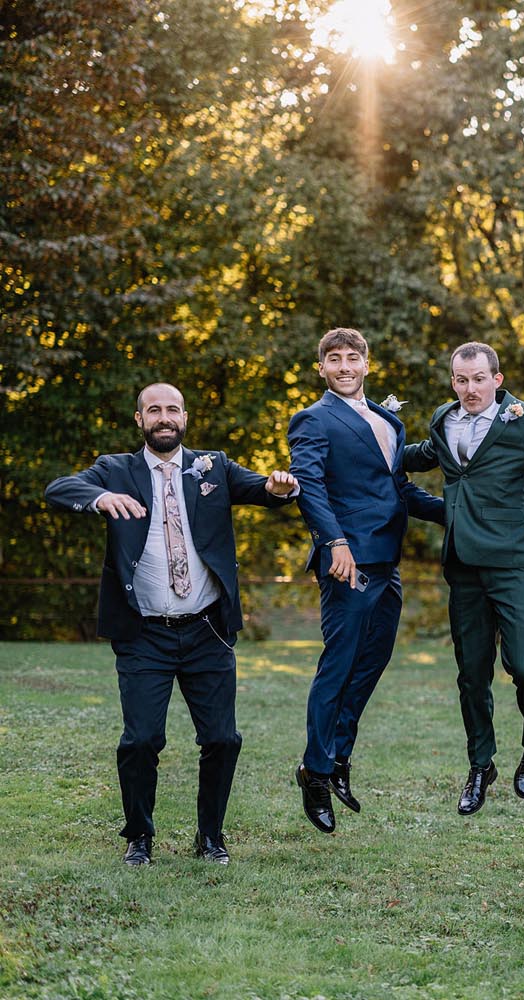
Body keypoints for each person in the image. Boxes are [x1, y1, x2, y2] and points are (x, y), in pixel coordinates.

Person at [45, 383, 298, 866]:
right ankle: (139, 837)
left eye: (173, 409)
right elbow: (59, 489)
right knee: (141, 740)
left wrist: (278, 487)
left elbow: (263, 489)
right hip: (144, 632)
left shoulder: (213, 466)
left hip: (207, 628)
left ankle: (211, 838)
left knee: (222, 739)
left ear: (185, 416)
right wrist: (100, 499)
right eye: (154, 410)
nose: (165, 417)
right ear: (139, 419)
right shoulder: (116, 469)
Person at [403, 341, 524, 815]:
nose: (470, 389)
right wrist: (370, 445)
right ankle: (480, 764)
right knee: (471, 676)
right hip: (464, 566)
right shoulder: (442, 420)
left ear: (497, 379)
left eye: (478, 379)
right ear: (454, 381)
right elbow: (424, 455)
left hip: (516, 563)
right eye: (461, 380)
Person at [288, 327, 444, 834]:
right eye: (333, 359)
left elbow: (398, 487)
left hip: (387, 560)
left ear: (367, 364)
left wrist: (459, 513)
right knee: (339, 664)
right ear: (322, 369)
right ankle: (314, 770)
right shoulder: (313, 419)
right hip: (347, 562)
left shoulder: (387, 420)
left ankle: (337, 759)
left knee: (371, 663)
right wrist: (334, 543)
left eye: (352, 358)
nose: (344, 367)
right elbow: (308, 483)